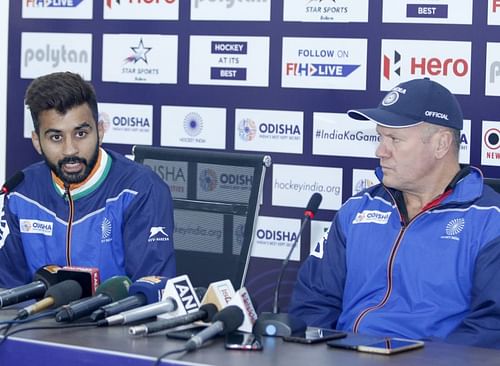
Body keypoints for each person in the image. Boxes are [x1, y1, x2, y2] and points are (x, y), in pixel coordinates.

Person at [289, 77, 500, 348]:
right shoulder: (357, 210)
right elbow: (313, 303)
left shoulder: (490, 220)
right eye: (379, 136)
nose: (380, 151)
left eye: (394, 139)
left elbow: (491, 326)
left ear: (441, 144)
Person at [0, 71, 176, 287]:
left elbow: (151, 292)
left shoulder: (140, 190)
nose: (70, 149)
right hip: (33, 320)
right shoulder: (19, 194)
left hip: (116, 320)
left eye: (81, 134)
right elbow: (8, 292)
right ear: (37, 141)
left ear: (100, 131)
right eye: (56, 137)